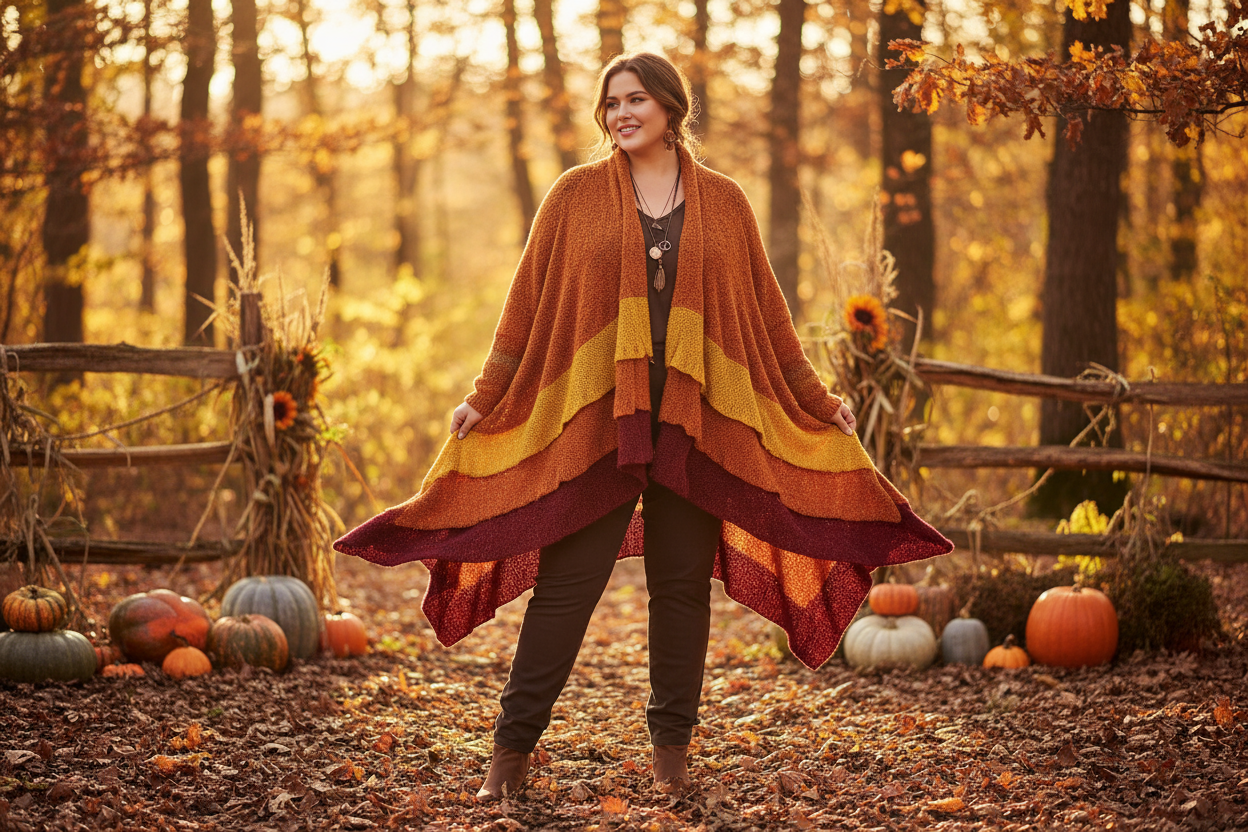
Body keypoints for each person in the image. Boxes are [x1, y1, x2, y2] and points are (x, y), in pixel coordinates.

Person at [334, 52, 952, 801]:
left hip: (694, 421)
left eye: (636, 99)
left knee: (682, 590)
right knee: (565, 587)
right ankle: (509, 759)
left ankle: (672, 763)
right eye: (611, 102)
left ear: (670, 107)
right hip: (598, 420)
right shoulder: (572, 197)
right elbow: (524, 309)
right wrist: (485, 396)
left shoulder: (724, 201)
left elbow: (766, 317)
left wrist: (818, 402)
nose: (621, 113)